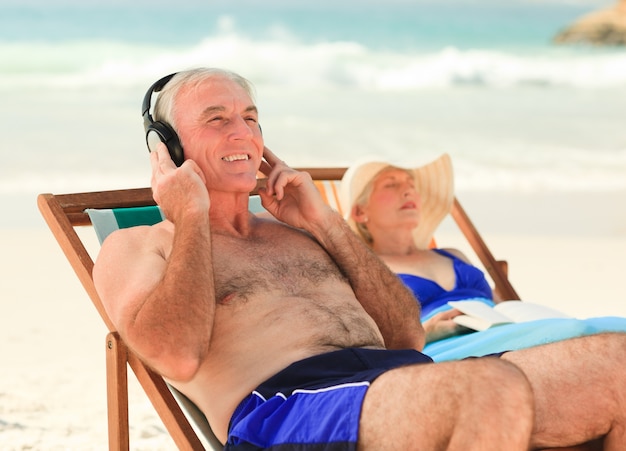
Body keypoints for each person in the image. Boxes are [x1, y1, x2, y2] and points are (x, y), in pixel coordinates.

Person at [93, 68, 626, 450]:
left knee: (617, 361)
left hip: (398, 379)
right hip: (285, 412)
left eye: (251, 118)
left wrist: (325, 222)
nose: (243, 134)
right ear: (168, 147)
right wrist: (190, 218)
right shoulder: (141, 246)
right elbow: (177, 355)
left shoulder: (300, 233)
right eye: (216, 119)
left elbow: (405, 337)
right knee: (486, 387)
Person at [342, 158, 626, 357]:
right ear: (360, 212)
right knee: (591, 337)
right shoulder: (366, 273)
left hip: (505, 332)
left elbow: (501, 307)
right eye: (390, 184)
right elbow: (369, 346)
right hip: (447, 347)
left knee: (590, 332)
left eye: (410, 183)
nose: (407, 189)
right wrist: (427, 331)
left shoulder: (452, 254)